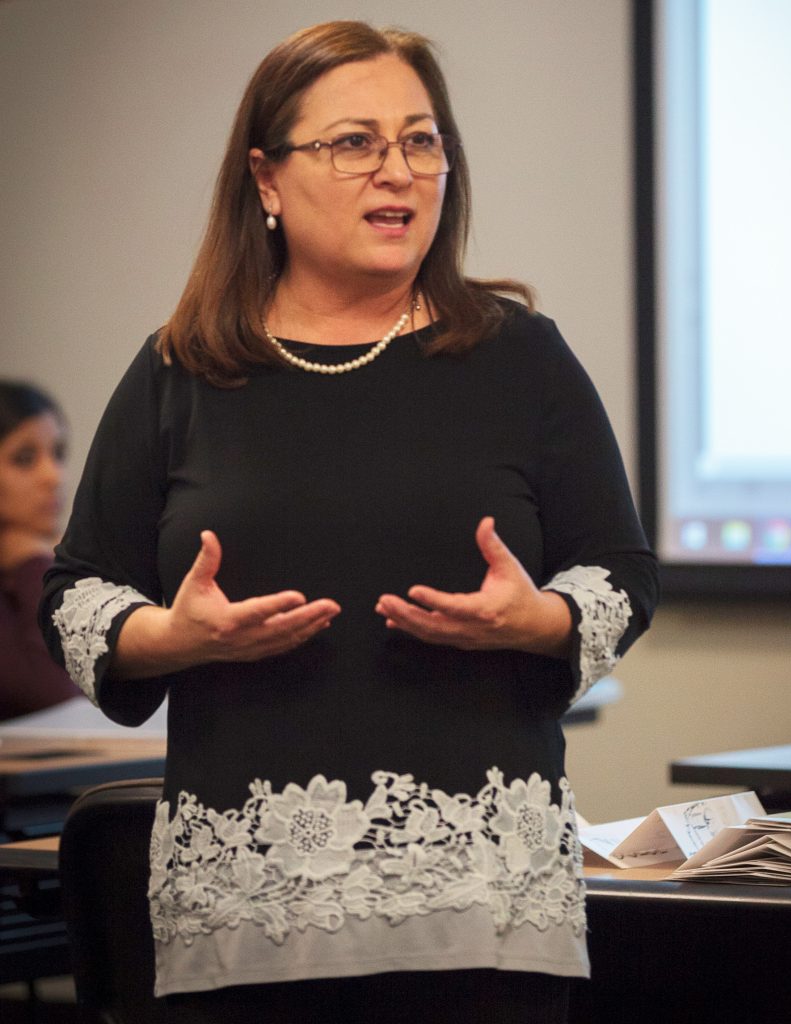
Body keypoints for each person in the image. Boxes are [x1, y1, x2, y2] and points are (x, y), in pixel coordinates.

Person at [40, 20, 659, 1024]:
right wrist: (167, 634)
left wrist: (536, 619)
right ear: (266, 179)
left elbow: (621, 573)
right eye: (354, 143)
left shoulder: (520, 359)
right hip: (247, 925)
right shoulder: (183, 369)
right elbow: (75, 593)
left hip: (482, 922)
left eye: (421, 141)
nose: (398, 172)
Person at [0, 381, 81, 721]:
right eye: (25, 458)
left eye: (58, 454)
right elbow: (55, 700)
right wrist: (35, 563)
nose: (54, 475)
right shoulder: (34, 565)